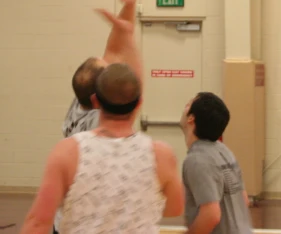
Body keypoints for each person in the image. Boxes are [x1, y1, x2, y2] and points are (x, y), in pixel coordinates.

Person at [20, 62, 184, 234]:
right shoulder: (161, 154)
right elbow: (175, 208)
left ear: (95, 101)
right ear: (138, 103)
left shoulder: (67, 152)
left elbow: (38, 224)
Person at [53, 0, 144, 233]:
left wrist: (128, 5)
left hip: (65, 222)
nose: (111, 64)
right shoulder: (100, 123)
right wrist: (128, 30)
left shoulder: (80, 100)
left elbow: (114, 51)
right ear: (99, 98)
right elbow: (133, 84)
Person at [179, 92, 253, 234]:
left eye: (188, 104)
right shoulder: (224, 151)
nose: (184, 107)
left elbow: (211, 215)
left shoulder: (197, 159)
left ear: (191, 119)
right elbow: (244, 200)